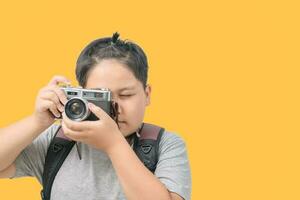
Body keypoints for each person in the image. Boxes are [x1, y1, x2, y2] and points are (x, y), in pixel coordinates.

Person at [0, 33, 191, 200]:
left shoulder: (165, 144)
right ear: (80, 96)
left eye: (125, 95)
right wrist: (37, 122)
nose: (114, 109)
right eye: (100, 97)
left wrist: (114, 144)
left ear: (147, 94)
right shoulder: (59, 140)